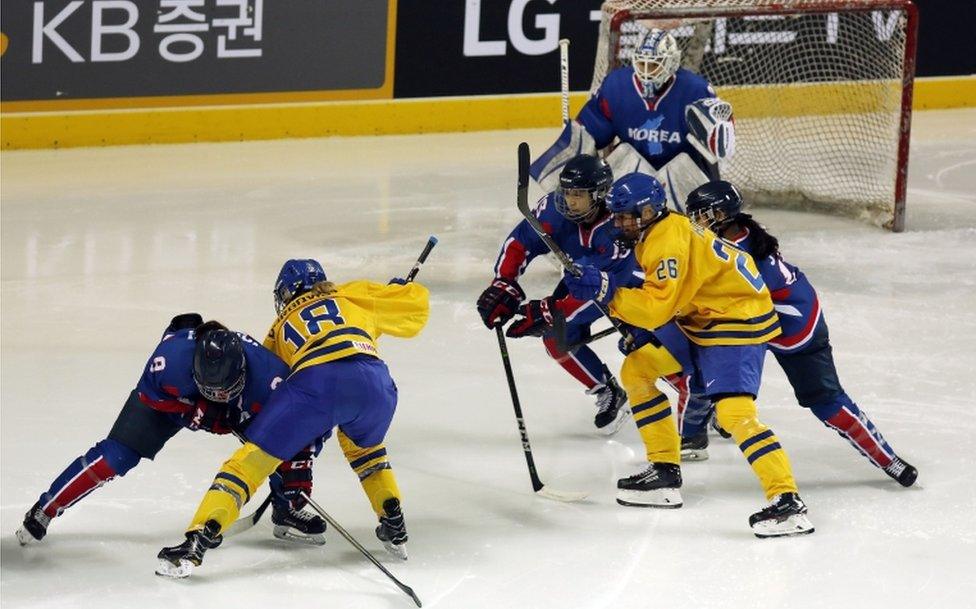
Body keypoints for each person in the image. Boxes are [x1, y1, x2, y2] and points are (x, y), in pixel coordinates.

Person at [564, 172, 814, 538]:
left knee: (734, 413)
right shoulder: (656, 232)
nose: (621, 223)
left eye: (628, 216)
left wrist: (607, 293)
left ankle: (788, 502)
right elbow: (668, 301)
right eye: (616, 216)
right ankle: (664, 474)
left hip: (736, 319)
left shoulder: (666, 242)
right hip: (703, 316)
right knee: (638, 369)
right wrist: (608, 291)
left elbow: (654, 311)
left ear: (650, 211)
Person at [155, 259, 429, 578]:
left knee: (248, 464)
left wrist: (281, 449)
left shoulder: (281, 321)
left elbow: (272, 381)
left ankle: (197, 541)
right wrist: (396, 292)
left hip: (316, 384)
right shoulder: (353, 294)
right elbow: (415, 310)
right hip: (376, 385)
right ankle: (393, 519)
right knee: (366, 451)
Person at [15, 314, 328, 548]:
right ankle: (47, 506)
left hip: (238, 406)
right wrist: (196, 413)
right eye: (213, 390)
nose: (220, 394)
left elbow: (303, 427)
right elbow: (150, 398)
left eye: (226, 388)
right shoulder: (169, 362)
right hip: (176, 401)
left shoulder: (271, 378)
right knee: (116, 456)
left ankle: (287, 507)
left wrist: (295, 468)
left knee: (279, 448)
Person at [682, 180, 918, 486]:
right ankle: (697, 431)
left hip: (795, 328)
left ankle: (888, 459)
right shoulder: (734, 235)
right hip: (754, 319)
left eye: (702, 215)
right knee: (699, 362)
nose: (696, 223)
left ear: (722, 215)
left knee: (825, 401)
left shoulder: (737, 254)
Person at [477, 154, 632, 434]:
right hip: (582, 281)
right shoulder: (554, 210)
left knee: (649, 344)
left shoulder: (618, 223)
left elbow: (603, 287)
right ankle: (607, 390)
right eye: (566, 192)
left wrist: (552, 311)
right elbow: (520, 242)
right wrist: (504, 282)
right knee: (556, 338)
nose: (569, 200)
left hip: (625, 286)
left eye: (578, 195)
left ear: (599, 194)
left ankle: (705, 397)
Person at [530, 28, 735, 210]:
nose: (646, 72)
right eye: (642, 64)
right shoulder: (617, 86)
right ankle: (613, 227)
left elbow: (716, 152)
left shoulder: (696, 90)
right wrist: (568, 171)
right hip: (633, 175)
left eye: (654, 65)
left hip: (680, 178)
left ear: (672, 62)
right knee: (622, 154)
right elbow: (587, 135)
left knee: (684, 166)